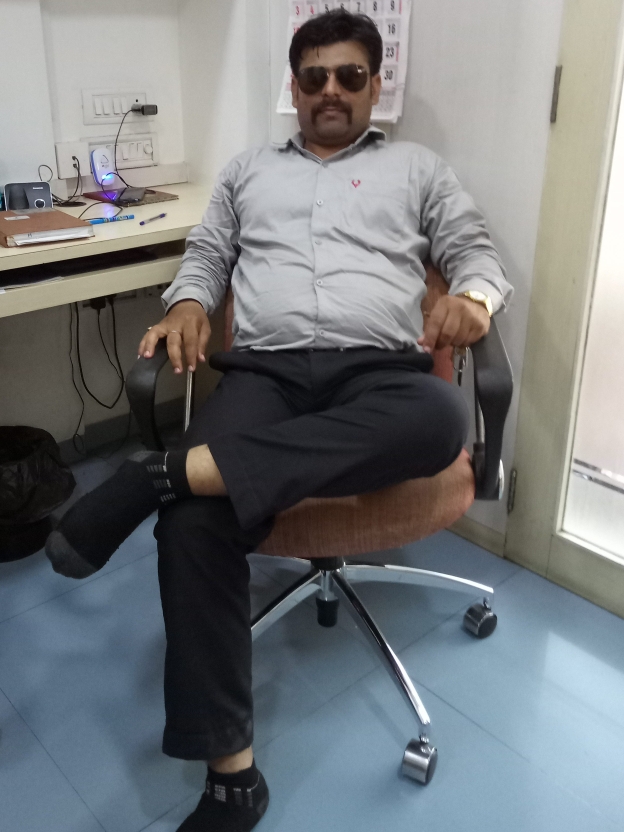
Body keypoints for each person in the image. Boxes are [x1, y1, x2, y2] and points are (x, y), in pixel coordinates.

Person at [46, 10, 512, 832]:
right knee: (194, 522)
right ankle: (233, 780)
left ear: (375, 85)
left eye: (350, 76)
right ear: (294, 88)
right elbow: (207, 255)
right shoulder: (247, 171)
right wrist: (188, 303)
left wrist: (474, 298)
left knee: (441, 418)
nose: (331, 90)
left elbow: (472, 249)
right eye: (314, 77)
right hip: (266, 374)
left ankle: (156, 474)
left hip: (380, 374)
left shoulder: (418, 170)